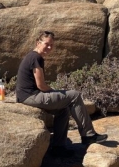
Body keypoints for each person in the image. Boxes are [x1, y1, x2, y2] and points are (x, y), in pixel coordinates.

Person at [16, 30, 107, 158]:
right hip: (30, 96)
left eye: (51, 45)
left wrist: (56, 95)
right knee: (74, 95)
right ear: (38, 42)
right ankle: (88, 135)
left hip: (26, 96)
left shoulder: (34, 56)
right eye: (46, 44)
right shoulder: (35, 57)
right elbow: (41, 85)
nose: (49, 47)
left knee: (63, 110)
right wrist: (54, 92)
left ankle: (58, 147)